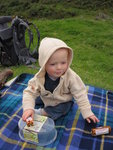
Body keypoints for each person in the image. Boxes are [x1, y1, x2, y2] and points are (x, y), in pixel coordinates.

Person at [22, 37, 99, 123]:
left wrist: (87, 112)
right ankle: (32, 110)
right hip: (46, 97)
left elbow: (80, 93)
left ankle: (43, 112)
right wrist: (28, 108)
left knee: (64, 107)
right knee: (31, 99)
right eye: (53, 64)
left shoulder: (71, 77)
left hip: (62, 101)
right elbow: (29, 92)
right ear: (43, 64)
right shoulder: (39, 77)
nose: (59, 67)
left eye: (63, 63)